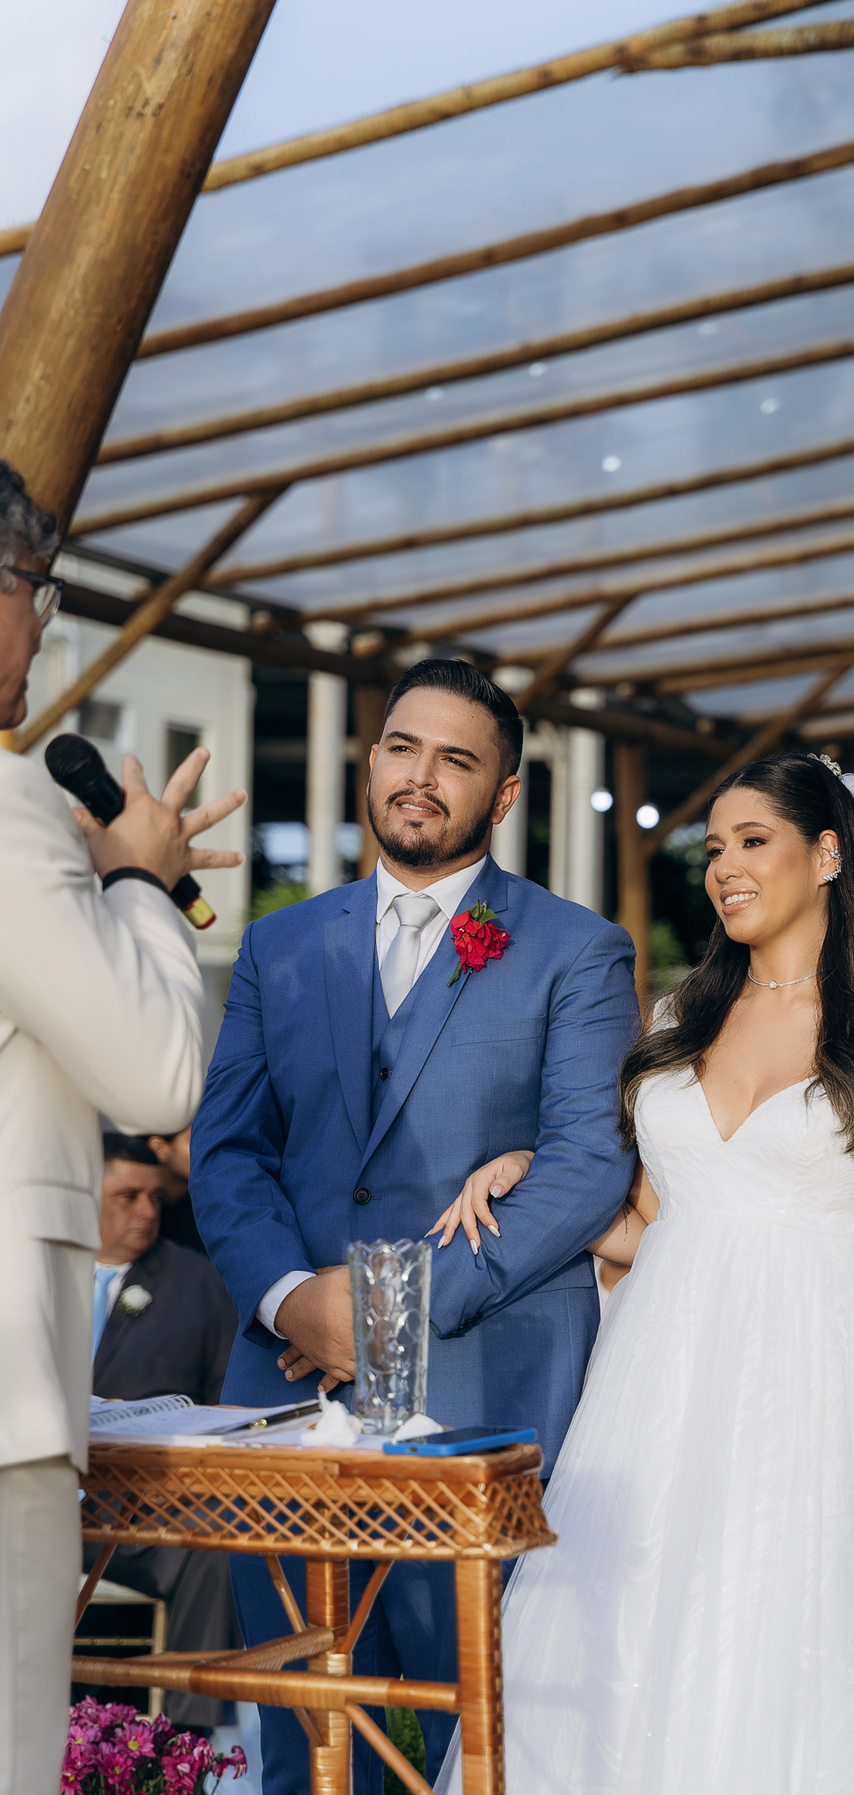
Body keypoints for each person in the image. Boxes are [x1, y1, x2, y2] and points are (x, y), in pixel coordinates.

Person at [434, 751, 854, 1794]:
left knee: (825, 1671)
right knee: (633, 1660)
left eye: (754, 841)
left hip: (834, 1399)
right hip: (659, 1400)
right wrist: (535, 1177)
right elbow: (661, 1227)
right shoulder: (676, 1023)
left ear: (830, 853)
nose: (725, 868)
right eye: (714, 849)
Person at [190, 658, 640, 1790]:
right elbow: (229, 1150)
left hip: (480, 1385)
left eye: (456, 758)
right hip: (286, 1391)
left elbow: (588, 1162)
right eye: (401, 746)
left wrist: (387, 1312)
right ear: (370, 760)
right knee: (304, 1731)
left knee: (466, 1728)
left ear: (503, 796)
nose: (419, 776)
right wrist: (295, 1298)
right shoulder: (281, 944)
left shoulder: (577, 950)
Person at [0, 457, 245, 1795]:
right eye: (37, 590)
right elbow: (158, 1076)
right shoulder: (8, 805)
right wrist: (144, 888)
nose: (42, 627)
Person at [87, 1135, 239, 1729]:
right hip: (35, 1503)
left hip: (138, 1519)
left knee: (215, 1550)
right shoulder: (25, 1275)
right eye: (127, 1196)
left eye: (155, 1196)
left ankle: (184, 1751)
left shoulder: (198, 1285)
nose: (148, 1211)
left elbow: (230, 1407)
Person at [146, 1123, 207, 1256]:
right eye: (196, 1141)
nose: (207, 1150)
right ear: (159, 1148)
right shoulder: (140, 1208)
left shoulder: (214, 1203)